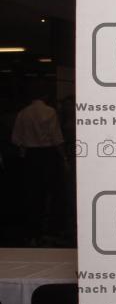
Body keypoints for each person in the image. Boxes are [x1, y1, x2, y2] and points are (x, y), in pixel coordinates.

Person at [11, 82, 68, 241]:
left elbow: (16, 139)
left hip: (30, 156)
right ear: (45, 96)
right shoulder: (50, 112)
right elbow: (57, 138)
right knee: (53, 191)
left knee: (33, 192)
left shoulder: (23, 113)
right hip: (48, 155)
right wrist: (64, 158)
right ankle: (52, 228)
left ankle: (33, 229)